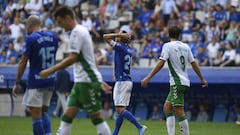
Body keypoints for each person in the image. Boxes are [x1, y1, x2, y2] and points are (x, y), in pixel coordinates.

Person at [39, 6, 111, 135]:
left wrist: (51, 70)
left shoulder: (77, 32)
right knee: (66, 118)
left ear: (68, 18)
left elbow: (73, 58)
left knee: (96, 118)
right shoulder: (81, 31)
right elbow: (91, 59)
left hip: (87, 82)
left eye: (60, 22)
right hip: (81, 83)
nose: (60, 26)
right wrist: (99, 79)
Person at [141, 26, 208, 135]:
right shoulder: (186, 47)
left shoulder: (168, 46)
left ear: (168, 34)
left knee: (179, 111)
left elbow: (161, 62)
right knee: (167, 107)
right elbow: (194, 63)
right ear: (179, 35)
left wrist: (148, 77)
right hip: (185, 81)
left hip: (177, 82)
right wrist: (202, 79)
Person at [12, 15, 59, 135]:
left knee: (36, 115)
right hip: (50, 79)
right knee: (43, 112)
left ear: (30, 25)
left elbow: (23, 62)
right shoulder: (53, 36)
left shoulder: (31, 38)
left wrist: (17, 82)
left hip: (36, 81)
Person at [103, 30, 147, 135]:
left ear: (121, 38)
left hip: (122, 81)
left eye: (119, 35)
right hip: (127, 81)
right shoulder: (128, 49)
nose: (116, 36)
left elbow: (105, 36)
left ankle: (140, 126)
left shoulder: (120, 47)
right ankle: (115, 133)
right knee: (121, 110)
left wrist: (118, 34)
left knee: (119, 110)